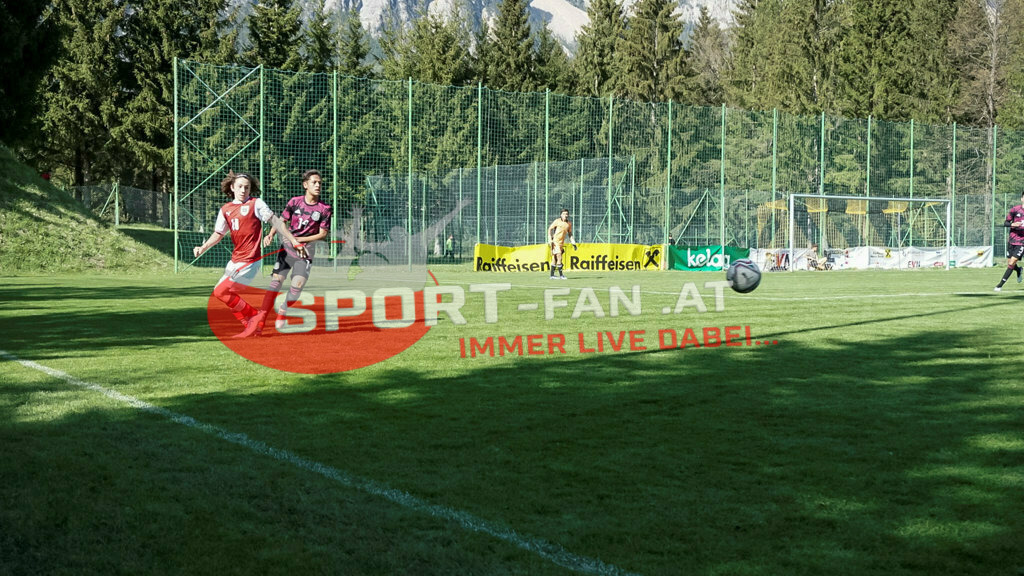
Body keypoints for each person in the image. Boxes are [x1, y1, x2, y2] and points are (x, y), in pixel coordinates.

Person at [193, 171, 306, 337]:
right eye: (239, 186)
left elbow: (276, 222)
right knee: (222, 293)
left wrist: (294, 240)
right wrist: (203, 247)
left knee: (220, 292)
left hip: (250, 260)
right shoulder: (226, 209)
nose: (243, 190)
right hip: (235, 261)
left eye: (247, 187)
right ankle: (252, 327)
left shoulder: (256, 204)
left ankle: (254, 316)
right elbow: (218, 234)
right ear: (232, 187)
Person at [244, 169, 333, 337]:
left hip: (305, 253)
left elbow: (322, 234)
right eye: (314, 182)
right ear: (305, 185)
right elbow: (281, 221)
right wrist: (270, 234)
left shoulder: (325, 209)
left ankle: (283, 308)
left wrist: (301, 240)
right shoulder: (295, 202)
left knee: (297, 287)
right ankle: (261, 320)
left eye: (320, 183)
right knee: (276, 282)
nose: (318, 185)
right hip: (287, 248)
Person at [994, 192, 1024, 291]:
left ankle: (1000, 285)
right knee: (1010, 263)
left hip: (1022, 242)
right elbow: (1006, 223)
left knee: (1012, 262)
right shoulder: (1015, 210)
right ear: (1022, 198)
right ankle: (1019, 270)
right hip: (1012, 240)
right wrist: (1013, 225)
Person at [547, 208, 577, 279]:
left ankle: (552, 275)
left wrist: (573, 242)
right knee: (559, 256)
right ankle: (561, 275)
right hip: (555, 242)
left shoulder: (568, 224)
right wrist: (549, 238)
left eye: (566, 214)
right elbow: (550, 229)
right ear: (561, 215)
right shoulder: (557, 221)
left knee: (555, 259)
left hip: (561, 243)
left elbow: (570, 234)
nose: (565, 215)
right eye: (564, 214)